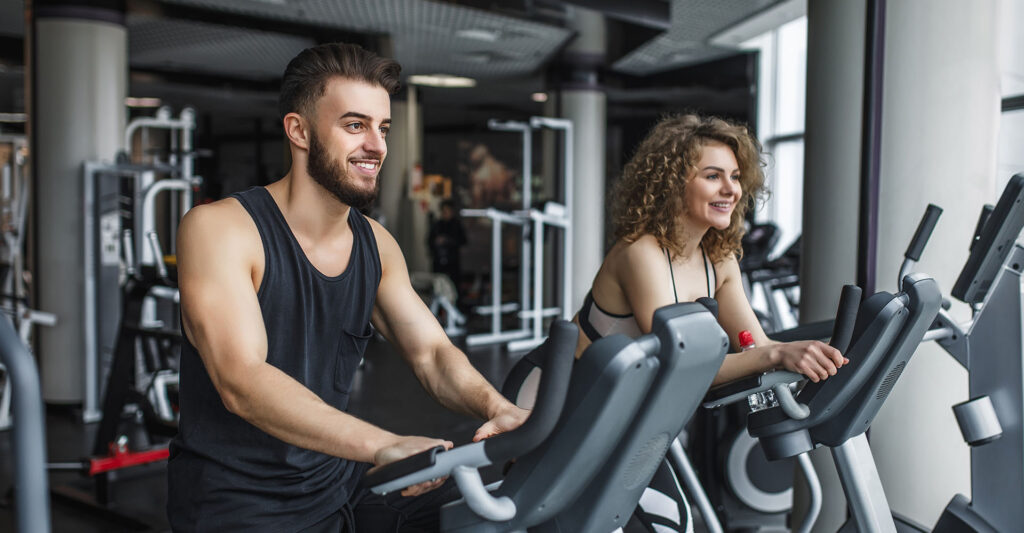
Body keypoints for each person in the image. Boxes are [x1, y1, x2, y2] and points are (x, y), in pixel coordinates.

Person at [167, 43, 527, 532]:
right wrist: (382, 444)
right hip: (238, 507)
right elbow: (242, 380)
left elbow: (431, 353)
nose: (377, 145)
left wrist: (497, 407)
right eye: (355, 125)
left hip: (335, 483)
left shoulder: (376, 245)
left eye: (383, 128)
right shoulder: (222, 229)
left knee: (506, 515)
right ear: (299, 130)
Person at [572, 114, 847, 531]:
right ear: (673, 183)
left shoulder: (719, 258)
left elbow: (751, 344)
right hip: (569, 404)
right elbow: (678, 364)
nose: (730, 189)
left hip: (628, 415)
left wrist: (787, 356)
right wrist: (774, 354)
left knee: (670, 522)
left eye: (735, 176)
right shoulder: (640, 253)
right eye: (713, 176)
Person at [428, 199, 467, 289]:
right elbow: (429, 241)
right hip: (438, 261)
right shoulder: (437, 225)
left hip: (453, 262)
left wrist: (447, 241)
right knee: (438, 286)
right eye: (443, 211)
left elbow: (463, 240)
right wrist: (436, 243)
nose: (445, 213)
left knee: (454, 287)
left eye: (447, 211)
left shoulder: (457, 225)